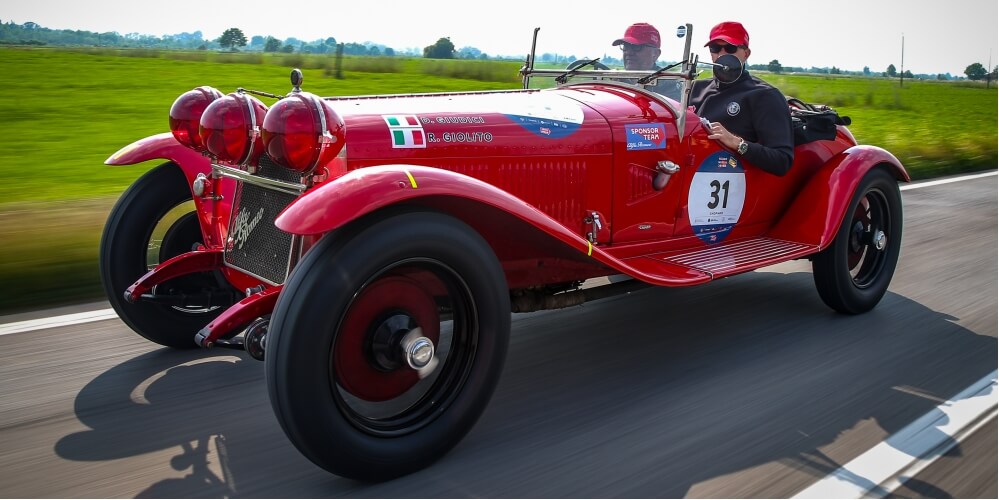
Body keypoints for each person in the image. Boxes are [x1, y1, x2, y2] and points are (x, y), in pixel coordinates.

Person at [690, 21, 794, 176]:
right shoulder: (694, 88)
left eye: (730, 48)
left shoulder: (764, 95)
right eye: (715, 48)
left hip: (732, 179)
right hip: (689, 171)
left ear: (746, 54)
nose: (722, 54)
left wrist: (736, 143)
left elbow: (782, 161)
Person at [611, 23, 682, 101]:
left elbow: (671, 111)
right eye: (625, 47)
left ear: (655, 54)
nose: (628, 52)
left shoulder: (668, 84)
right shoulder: (618, 81)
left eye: (636, 47)